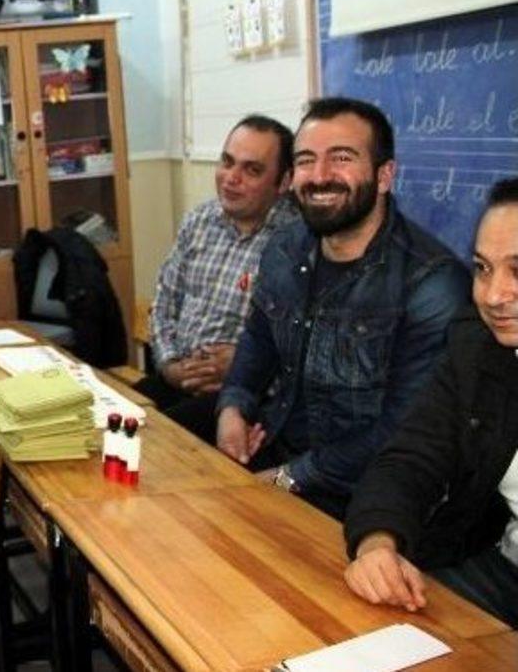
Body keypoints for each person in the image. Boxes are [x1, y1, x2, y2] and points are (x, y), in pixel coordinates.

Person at [215, 97, 469, 519]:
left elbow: (403, 430)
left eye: (342, 158)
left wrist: (287, 478)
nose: (319, 177)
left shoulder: (432, 283)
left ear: (384, 175)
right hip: (276, 450)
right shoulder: (285, 247)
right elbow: (258, 339)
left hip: (366, 495)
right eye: (306, 160)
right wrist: (232, 408)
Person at [342, 178, 518, 628]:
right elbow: (410, 458)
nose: (494, 295)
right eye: (482, 268)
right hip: (502, 570)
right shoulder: (478, 346)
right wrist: (377, 543)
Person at [136, 114, 299, 444]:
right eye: (227, 162)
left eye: (252, 170)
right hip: (177, 377)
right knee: (111, 418)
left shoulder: (298, 244)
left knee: (152, 444)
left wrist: (245, 368)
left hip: (243, 398)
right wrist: (169, 366)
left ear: (284, 182)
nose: (231, 178)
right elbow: (164, 304)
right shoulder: (199, 221)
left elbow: (299, 348)